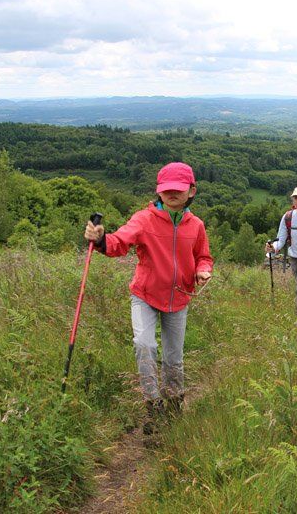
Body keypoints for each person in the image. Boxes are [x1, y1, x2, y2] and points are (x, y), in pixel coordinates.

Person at [84, 162, 212, 435]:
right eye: (167, 190)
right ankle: (153, 406)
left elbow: (203, 256)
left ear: (192, 191)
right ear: (159, 191)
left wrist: (203, 270)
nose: (172, 194)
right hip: (145, 295)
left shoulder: (196, 225)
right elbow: (120, 242)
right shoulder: (144, 219)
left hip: (179, 298)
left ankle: (174, 406)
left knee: (173, 357)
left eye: (179, 189)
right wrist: (101, 239)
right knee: (144, 345)